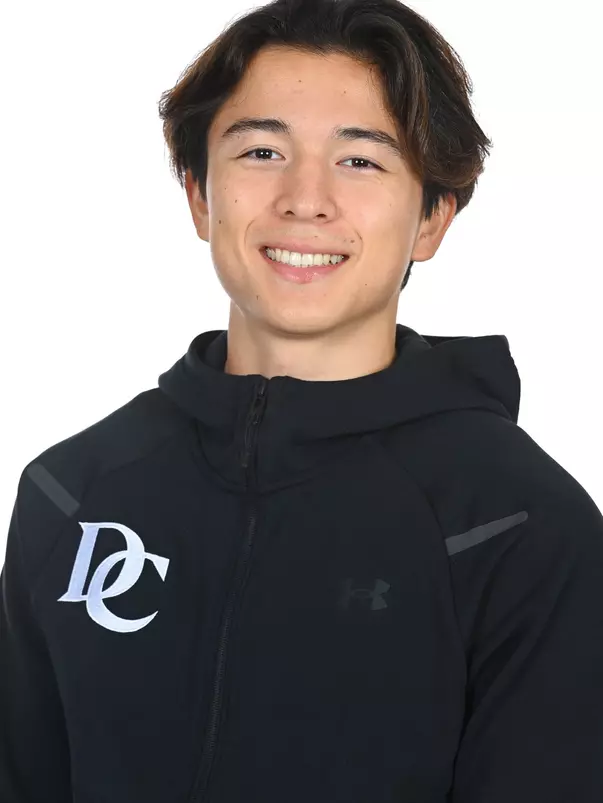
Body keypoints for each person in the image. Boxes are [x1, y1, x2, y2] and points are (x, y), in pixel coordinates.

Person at [2, 0, 602, 800]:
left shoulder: (517, 525)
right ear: (197, 195)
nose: (303, 199)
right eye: (260, 150)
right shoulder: (70, 493)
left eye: (360, 161)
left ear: (432, 218)